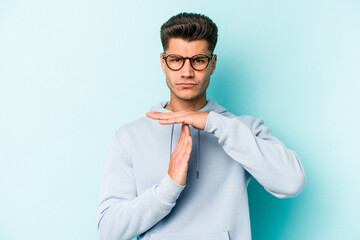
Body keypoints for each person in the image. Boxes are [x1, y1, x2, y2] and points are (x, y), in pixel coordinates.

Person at [96, 12, 306, 240]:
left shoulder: (243, 129)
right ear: (163, 63)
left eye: (198, 60)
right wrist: (168, 187)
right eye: (176, 60)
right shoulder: (130, 136)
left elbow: (292, 182)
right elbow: (109, 231)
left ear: (212, 64)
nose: (187, 72)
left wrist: (214, 123)